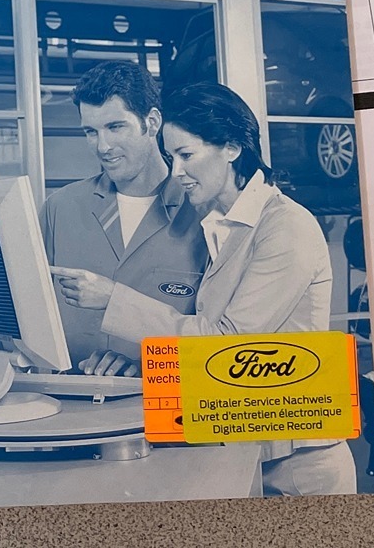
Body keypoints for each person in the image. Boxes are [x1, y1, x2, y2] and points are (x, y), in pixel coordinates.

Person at [73, 80, 356, 496]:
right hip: (245, 448)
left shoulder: (286, 225)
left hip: (298, 465)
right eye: (171, 157)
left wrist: (112, 298)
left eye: (187, 155)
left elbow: (228, 343)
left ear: (232, 148)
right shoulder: (220, 226)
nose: (176, 172)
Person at [41, 61, 205, 374]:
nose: (103, 147)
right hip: (68, 397)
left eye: (115, 127)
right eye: (91, 132)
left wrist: (149, 364)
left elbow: (221, 339)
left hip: (166, 397)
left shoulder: (202, 212)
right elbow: (25, 309)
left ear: (152, 122)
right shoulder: (59, 208)